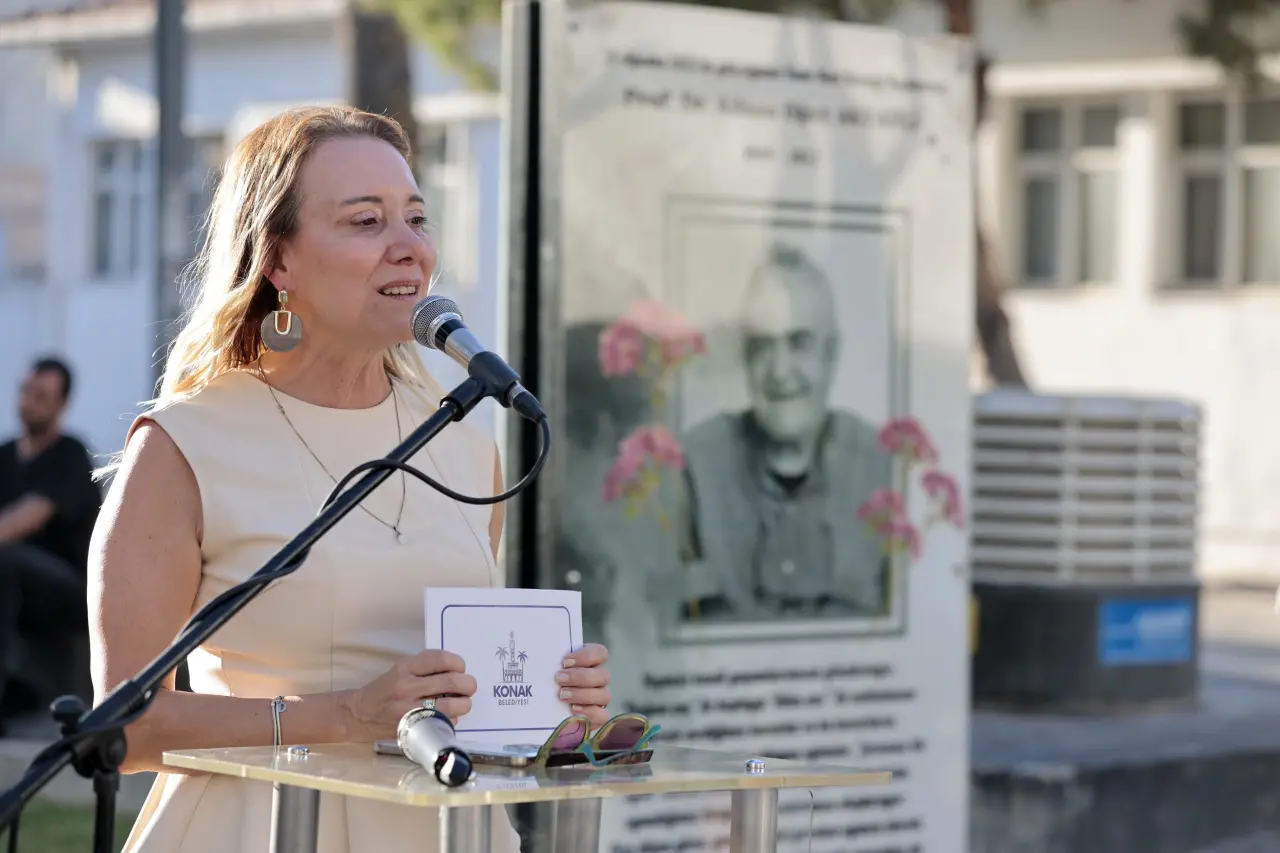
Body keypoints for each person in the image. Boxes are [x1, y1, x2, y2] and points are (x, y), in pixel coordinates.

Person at [89, 106, 613, 853]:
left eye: (417, 218)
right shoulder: (183, 445)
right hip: (257, 830)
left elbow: (467, 696)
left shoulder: (468, 445)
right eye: (366, 222)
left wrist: (556, 705)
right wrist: (344, 715)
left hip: (447, 830)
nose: (409, 249)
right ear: (279, 261)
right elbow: (123, 727)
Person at [675, 243, 892, 622]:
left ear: (831, 354)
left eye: (799, 343)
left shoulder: (882, 470)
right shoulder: (695, 467)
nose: (779, 371)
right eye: (762, 347)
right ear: (744, 356)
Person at [0, 357, 100, 730]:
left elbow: (28, 517)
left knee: (7, 558)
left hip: (67, 591)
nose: (28, 402)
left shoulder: (70, 455)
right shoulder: (5, 455)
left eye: (41, 396)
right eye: (26, 392)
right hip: (14, 592)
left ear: (61, 404)